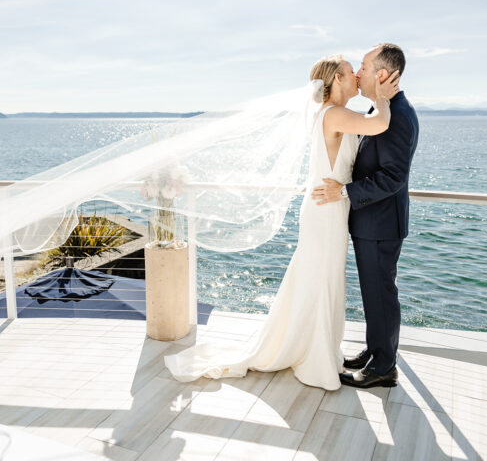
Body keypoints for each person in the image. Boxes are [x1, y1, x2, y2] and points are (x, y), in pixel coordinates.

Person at [164, 54, 400, 390]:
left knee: (320, 279)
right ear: (335, 80)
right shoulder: (334, 114)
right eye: (350, 73)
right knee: (321, 281)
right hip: (326, 210)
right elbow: (379, 124)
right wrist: (382, 97)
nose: (356, 78)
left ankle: (314, 347)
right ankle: (313, 355)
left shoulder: (332, 114)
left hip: (328, 206)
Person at [312, 43, 419, 388]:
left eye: (364, 66)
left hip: (381, 222)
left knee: (381, 293)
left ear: (382, 75)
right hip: (368, 221)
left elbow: (392, 177)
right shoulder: (379, 110)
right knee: (373, 293)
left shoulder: (398, 115)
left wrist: (344, 192)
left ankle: (384, 367)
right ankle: (376, 351)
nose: (358, 72)